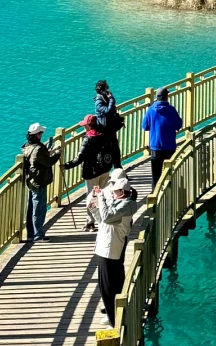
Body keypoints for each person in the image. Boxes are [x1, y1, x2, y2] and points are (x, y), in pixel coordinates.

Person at [90, 176, 137, 324]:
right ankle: (114, 316)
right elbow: (102, 219)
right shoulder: (118, 203)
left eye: (115, 191)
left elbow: (107, 216)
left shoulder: (126, 205)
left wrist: (102, 198)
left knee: (109, 288)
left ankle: (115, 321)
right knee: (106, 285)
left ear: (123, 192)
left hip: (110, 249)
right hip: (105, 248)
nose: (112, 192)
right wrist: (94, 205)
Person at [65, 114, 121, 230]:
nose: (84, 128)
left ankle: (90, 221)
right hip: (105, 169)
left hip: (91, 172)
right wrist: (117, 165)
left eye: (85, 125)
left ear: (89, 126)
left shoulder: (88, 138)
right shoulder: (106, 134)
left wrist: (66, 166)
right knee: (104, 194)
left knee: (91, 196)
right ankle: (104, 218)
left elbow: (79, 158)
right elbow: (114, 149)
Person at [22, 123, 61, 242]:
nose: (42, 135)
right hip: (39, 181)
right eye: (40, 133)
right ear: (37, 135)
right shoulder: (38, 149)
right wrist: (57, 155)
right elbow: (48, 162)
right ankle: (38, 235)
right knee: (39, 208)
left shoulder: (27, 146)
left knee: (32, 208)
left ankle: (31, 233)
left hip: (32, 180)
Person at [141, 88, 183, 187]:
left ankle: (155, 197)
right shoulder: (171, 109)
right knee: (170, 174)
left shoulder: (150, 110)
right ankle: (169, 194)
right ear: (166, 97)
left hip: (155, 147)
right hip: (170, 147)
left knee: (156, 176)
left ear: (157, 97)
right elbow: (178, 125)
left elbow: (145, 126)